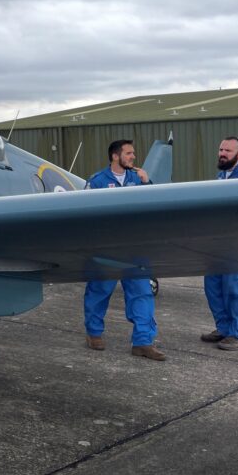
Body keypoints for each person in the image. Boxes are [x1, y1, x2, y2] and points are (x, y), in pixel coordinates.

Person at [83, 140, 165, 361]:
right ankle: (94, 333)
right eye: (128, 153)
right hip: (107, 248)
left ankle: (143, 342)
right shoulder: (97, 181)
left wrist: (147, 183)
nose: (133, 157)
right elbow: (85, 215)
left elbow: (154, 205)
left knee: (142, 292)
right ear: (115, 156)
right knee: (99, 291)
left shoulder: (137, 179)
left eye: (133, 153)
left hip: (135, 247)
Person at [202, 137, 238, 350]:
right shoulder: (222, 175)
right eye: (220, 149)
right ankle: (224, 328)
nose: (222, 153)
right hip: (219, 243)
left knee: (237, 289)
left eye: (227, 150)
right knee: (213, 287)